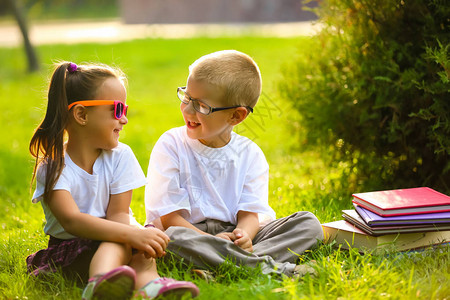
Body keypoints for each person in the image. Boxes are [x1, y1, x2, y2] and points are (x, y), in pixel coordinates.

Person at [27, 62, 199, 300]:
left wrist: (136, 235)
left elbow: (118, 215)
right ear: (82, 114)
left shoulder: (121, 156)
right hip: (73, 250)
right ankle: (100, 284)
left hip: (114, 233)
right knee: (121, 240)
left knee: (140, 249)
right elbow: (72, 221)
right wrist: (129, 234)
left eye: (125, 110)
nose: (125, 119)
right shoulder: (54, 165)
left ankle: (151, 286)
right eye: (117, 110)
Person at [145, 50, 324, 278]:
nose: (187, 109)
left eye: (200, 106)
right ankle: (265, 268)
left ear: (236, 116)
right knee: (172, 239)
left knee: (308, 224)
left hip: (232, 232)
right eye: (186, 97)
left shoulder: (250, 154)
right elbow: (170, 219)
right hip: (189, 232)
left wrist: (244, 236)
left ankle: (220, 266)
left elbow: (249, 214)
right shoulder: (171, 144)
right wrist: (210, 241)